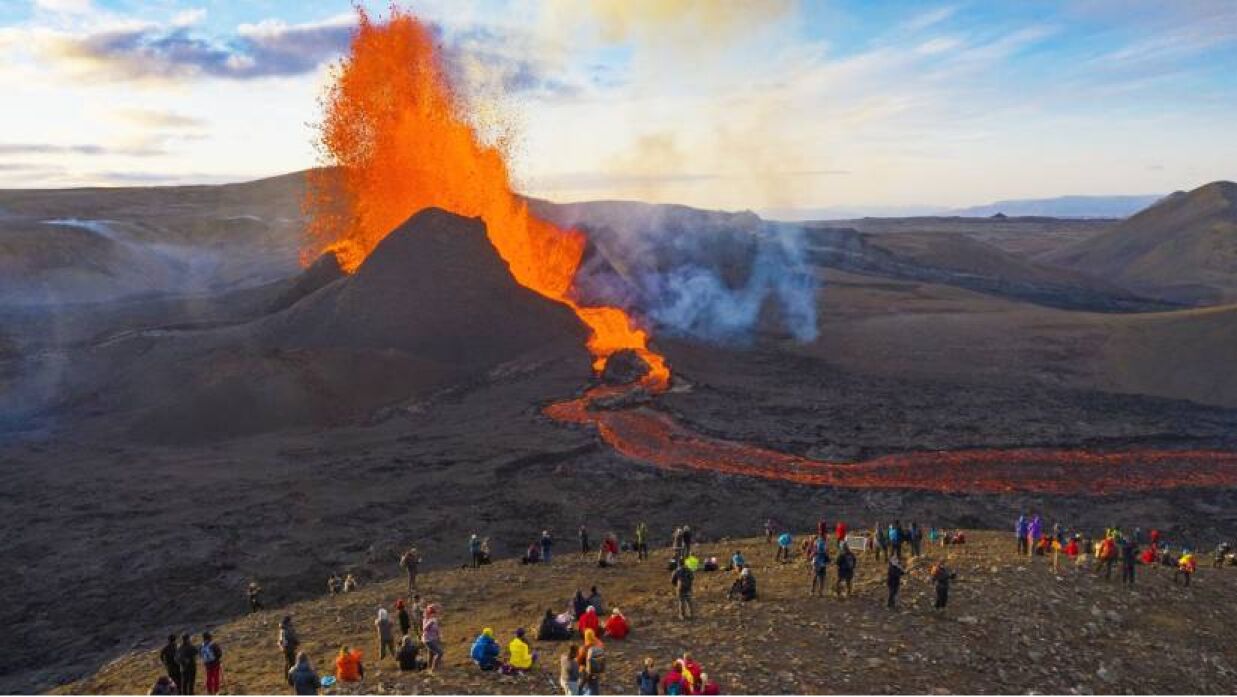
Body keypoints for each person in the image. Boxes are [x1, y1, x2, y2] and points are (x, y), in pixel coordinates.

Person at [422, 604, 444, 673]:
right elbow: (424, 628)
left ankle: (429, 668)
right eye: (431, 613)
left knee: (431, 653)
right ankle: (433, 669)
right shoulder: (426, 620)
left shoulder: (434, 619)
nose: (433, 614)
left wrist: (439, 636)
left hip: (433, 639)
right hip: (428, 640)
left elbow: (437, 629)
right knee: (440, 653)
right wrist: (430, 622)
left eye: (433, 613)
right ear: (428, 613)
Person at [278, 616, 300, 684]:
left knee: (287, 663)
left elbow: (281, 641)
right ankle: (291, 680)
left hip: (285, 649)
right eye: (290, 621)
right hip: (289, 648)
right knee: (292, 664)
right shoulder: (287, 629)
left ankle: (287, 677)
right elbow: (292, 637)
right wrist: (296, 642)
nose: (291, 622)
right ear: (288, 621)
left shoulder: (282, 629)